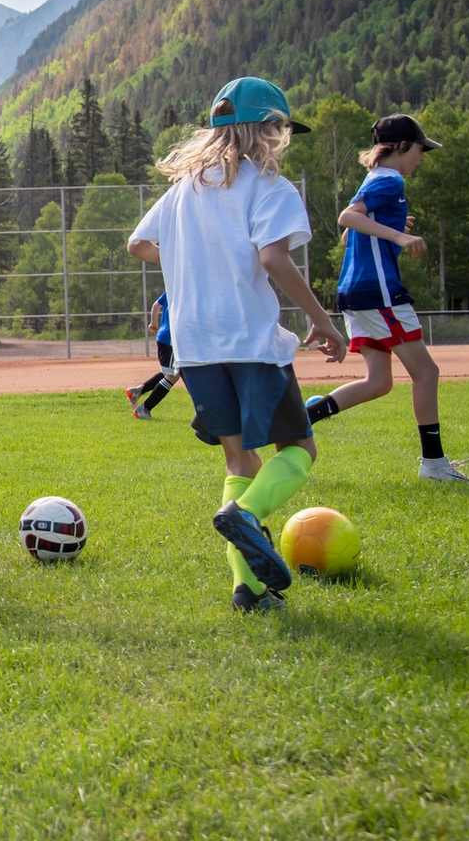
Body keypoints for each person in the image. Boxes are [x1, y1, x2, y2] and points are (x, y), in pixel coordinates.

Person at [126, 76, 346, 613]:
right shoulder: (270, 187)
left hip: (196, 348)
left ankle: (247, 591)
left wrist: (191, 261)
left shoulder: (183, 190)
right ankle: (247, 519)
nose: (282, 139)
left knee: (237, 462)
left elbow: (138, 244)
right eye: (281, 129)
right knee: (298, 449)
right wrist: (323, 320)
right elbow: (273, 260)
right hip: (250, 341)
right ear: (266, 129)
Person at [303, 115, 469, 482]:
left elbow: (351, 236)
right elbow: (347, 218)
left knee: (379, 381)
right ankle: (434, 465)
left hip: (355, 290)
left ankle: (302, 419)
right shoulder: (389, 179)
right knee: (426, 372)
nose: (422, 158)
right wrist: (399, 238)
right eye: (419, 149)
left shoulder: (374, 180)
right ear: (399, 148)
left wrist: (393, 227)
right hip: (378, 291)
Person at [124, 292, 178, 420]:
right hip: (171, 339)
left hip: (165, 337)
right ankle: (144, 409)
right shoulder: (184, 290)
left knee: (169, 373)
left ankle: (137, 391)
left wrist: (154, 325)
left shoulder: (172, 288)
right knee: (173, 375)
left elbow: (155, 306)